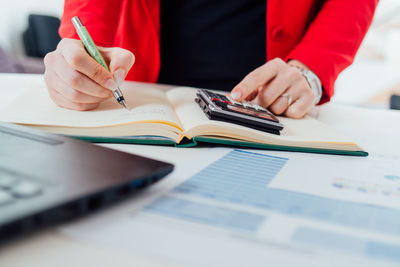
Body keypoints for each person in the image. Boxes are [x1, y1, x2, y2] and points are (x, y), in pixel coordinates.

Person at [44, 0, 378, 118]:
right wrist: (80, 48)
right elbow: (85, 25)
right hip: (148, 90)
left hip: (278, 97)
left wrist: (312, 65)